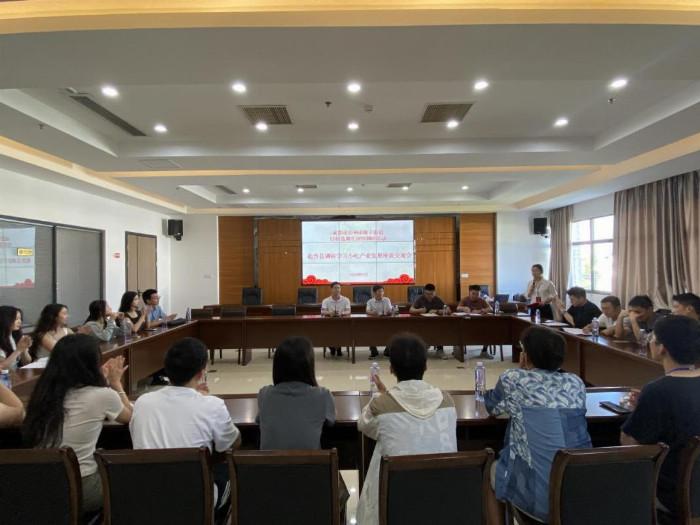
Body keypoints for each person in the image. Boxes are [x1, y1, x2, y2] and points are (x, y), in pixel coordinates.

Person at [485, 326, 591, 523]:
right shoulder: (576, 382)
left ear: (526, 355)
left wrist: (521, 372)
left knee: (488, 469)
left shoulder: (514, 379)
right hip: (578, 494)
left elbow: (492, 406)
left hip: (537, 500)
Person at [130, 337, 240, 519]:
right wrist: (202, 399)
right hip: (195, 503)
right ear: (201, 373)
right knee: (229, 470)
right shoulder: (212, 405)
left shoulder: (142, 402)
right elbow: (231, 444)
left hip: (148, 499)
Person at [23, 334, 132, 515]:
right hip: (81, 487)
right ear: (92, 364)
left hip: (39, 486)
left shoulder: (42, 395)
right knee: (129, 477)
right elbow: (130, 418)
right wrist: (115, 384)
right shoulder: (103, 395)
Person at [356, 333, 457, 525]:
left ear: (391, 369)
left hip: (396, 504)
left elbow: (363, 424)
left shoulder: (380, 407)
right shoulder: (447, 402)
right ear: (426, 366)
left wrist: (384, 396)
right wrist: (388, 396)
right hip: (442, 501)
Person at [620, 316, 700, 519]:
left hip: (676, 496)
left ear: (661, 347)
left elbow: (630, 445)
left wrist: (639, 410)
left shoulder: (658, 390)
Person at [258, 336, 335, 449]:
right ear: (309, 366)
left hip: (270, 461)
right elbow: (331, 421)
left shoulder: (264, 395)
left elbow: (259, 420)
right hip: (311, 461)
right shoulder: (323, 396)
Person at [409, 283, 450, 358]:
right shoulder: (420, 299)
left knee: (440, 329)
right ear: (424, 293)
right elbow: (411, 310)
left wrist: (437, 311)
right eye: (427, 294)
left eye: (431, 294)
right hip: (423, 324)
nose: (429, 296)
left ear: (435, 293)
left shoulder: (437, 299)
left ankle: (440, 350)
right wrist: (419, 310)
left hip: (436, 324)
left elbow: (448, 310)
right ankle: (423, 347)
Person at [457, 284, 494, 360]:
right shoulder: (465, 299)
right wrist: (464, 308)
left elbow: (490, 309)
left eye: (477, 294)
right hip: (466, 325)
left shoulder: (482, 300)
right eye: (473, 293)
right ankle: (458, 350)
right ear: (469, 293)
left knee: (489, 330)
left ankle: (484, 351)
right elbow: (458, 308)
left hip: (480, 324)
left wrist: (481, 310)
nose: (475, 296)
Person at [321, 282, 351, 357]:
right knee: (327, 332)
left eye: (339, 288)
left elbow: (348, 311)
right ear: (331, 289)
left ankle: (338, 347)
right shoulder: (326, 300)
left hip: (342, 323)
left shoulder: (346, 300)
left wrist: (341, 313)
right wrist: (330, 313)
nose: (337, 289)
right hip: (329, 323)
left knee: (341, 331)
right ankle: (332, 347)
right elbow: (322, 311)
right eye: (335, 288)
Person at [0, 305, 32, 370]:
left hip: (16, 373)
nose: (20, 322)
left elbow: (27, 362)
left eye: (20, 319)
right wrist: (18, 350)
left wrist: (24, 349)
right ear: (5, 320)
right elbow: (2, 367)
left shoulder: (17, 335)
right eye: (16, 319)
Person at [365, 285, 393, 359]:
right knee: (369, 331)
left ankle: (388, 350)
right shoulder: (370, 301)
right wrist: (372, 313)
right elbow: (367, 311)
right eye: (379, 291)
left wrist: (390, 311)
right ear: (374, 293)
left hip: (386, 322)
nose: (381, 293)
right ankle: (373, 351)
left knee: (392, 330)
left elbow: (390, 310)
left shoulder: (387, 300)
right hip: (374, 323)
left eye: (382, 291)